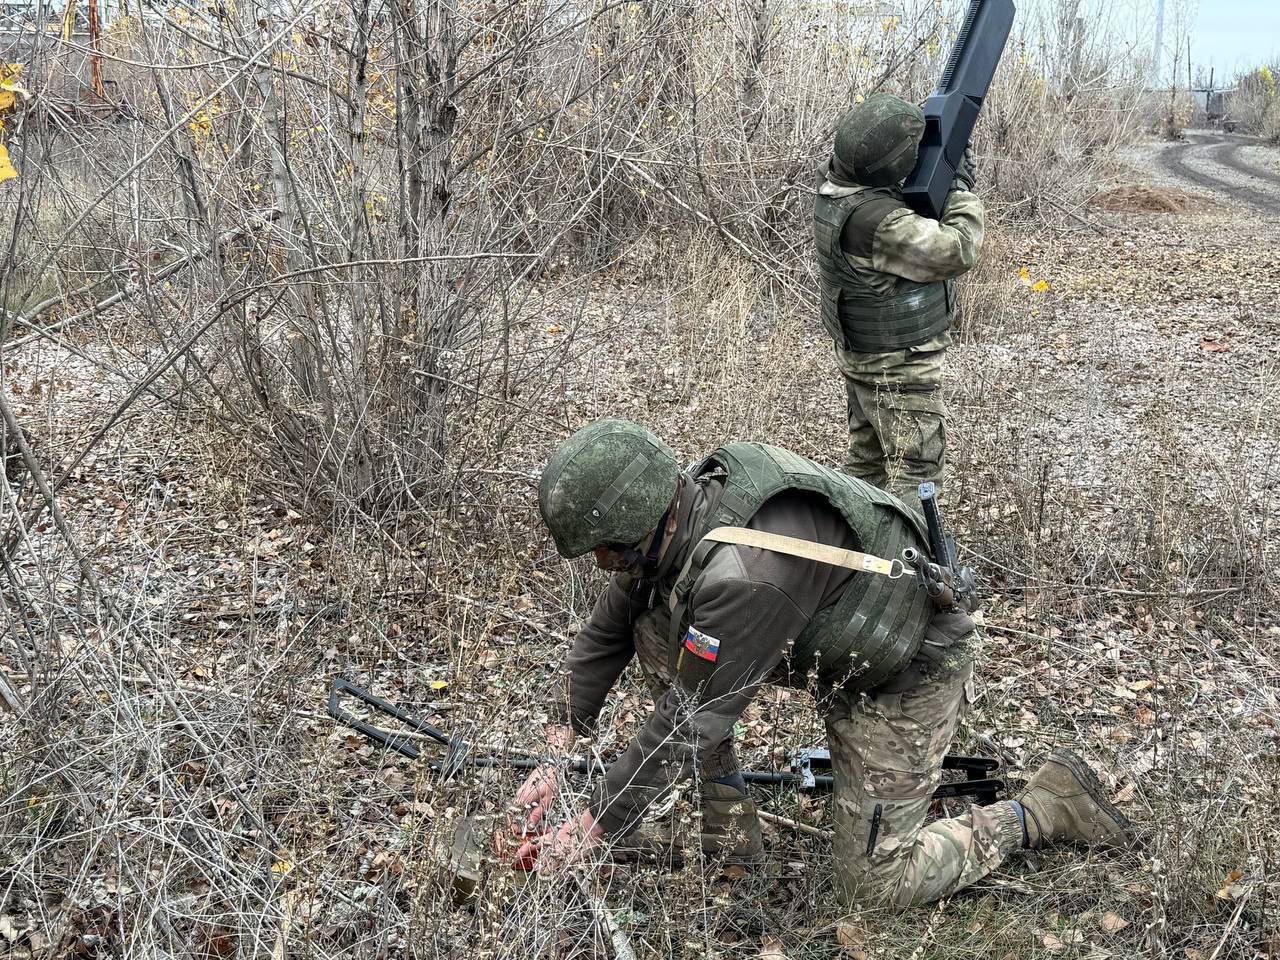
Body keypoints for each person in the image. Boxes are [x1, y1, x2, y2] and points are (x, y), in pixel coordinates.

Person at [507, 418, 1132, 911]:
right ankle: (730, 842)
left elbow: (687, 720)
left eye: (609, 551)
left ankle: (1050, 806)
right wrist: (558, 744)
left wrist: (596, 824)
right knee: (652, 624)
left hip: (904, 672)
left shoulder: (742, 576)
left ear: (644, 520)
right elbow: (614, 623)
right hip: (831, 647)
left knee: (877, 885)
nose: (604, 566)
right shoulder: (682, 514)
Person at [814, 92, 984, 504]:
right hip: (897, 368)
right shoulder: (878, 221)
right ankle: (910, 559)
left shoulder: (838, 191)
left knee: (865, 466)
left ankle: (852, 545)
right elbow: (958, 249)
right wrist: (959, 188)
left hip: (865, 361)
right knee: (918, 471)